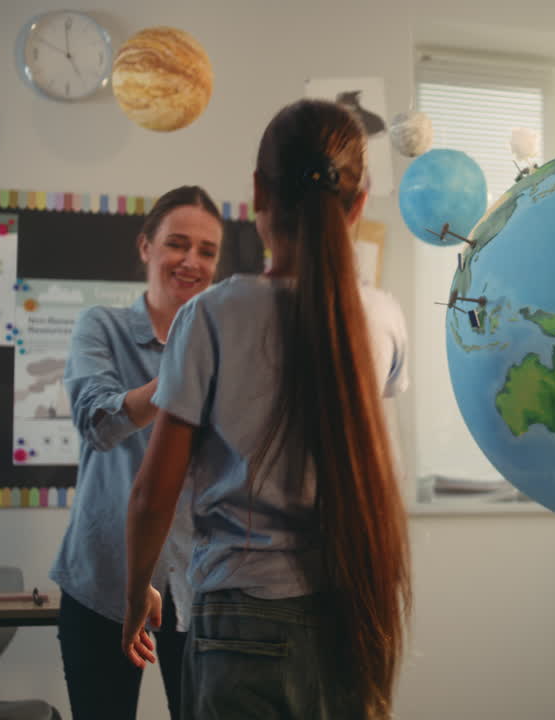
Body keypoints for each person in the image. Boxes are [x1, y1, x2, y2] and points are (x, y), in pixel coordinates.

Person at [121, 98, 412, 720]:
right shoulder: (384, 317)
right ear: (358, 205)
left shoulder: (212, 315)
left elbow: (152, 493)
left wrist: (131, 597)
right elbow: (378, 470)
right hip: (354, 610)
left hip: (240, 615)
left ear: (257, 191)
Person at [51, 185, 223, 720]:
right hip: (102, 583)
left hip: (199, 587)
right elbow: (99, 425)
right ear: (145, 246)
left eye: (207, 250)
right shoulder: (100, 327)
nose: (191, 261)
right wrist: (182, 368)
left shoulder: (225, 342)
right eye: (177, 243)